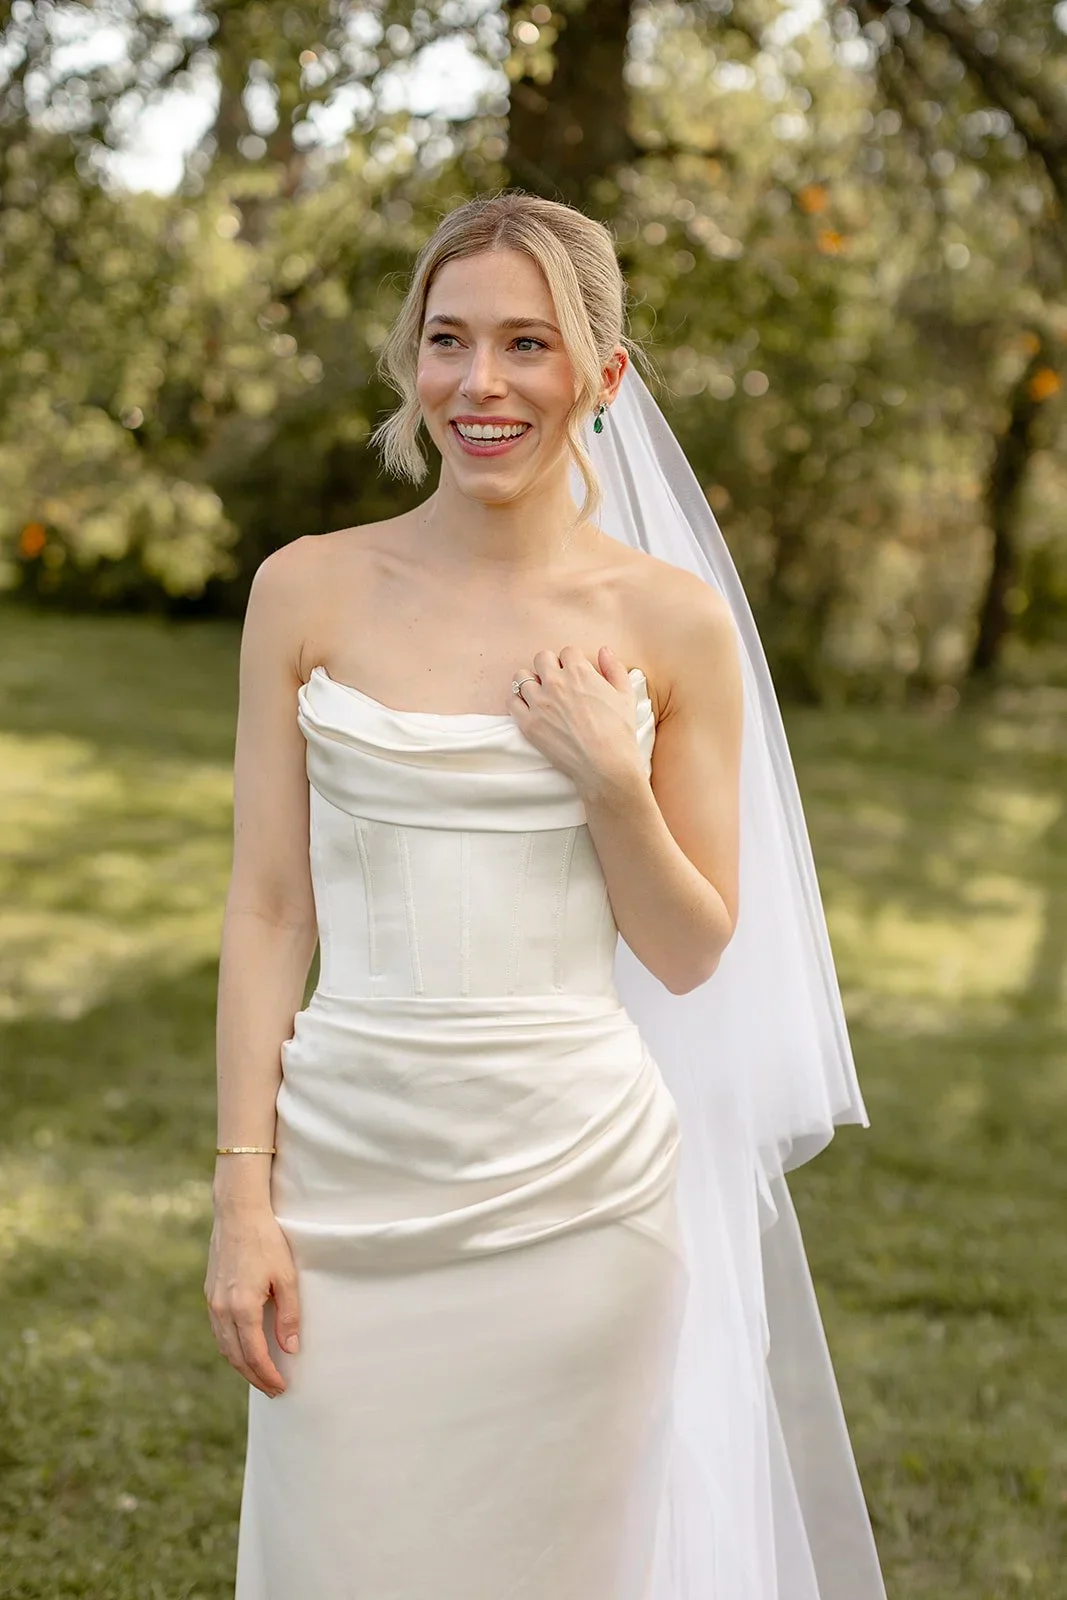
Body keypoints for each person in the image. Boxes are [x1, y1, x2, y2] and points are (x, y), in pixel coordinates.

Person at [204, 190, 887, 1599]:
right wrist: (243, 1198)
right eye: (448, 340)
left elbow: (692, 950)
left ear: (603, 375)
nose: (483, 384)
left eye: (528, 344)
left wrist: (610, 781)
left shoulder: (667, 621)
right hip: (344, 1176)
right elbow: (270, 908)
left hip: (571, 1198)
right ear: (411, 363)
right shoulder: (307, 590)